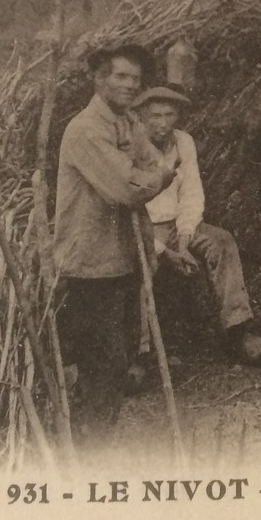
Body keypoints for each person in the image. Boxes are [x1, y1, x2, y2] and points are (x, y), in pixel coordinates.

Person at [54, 43, 173, 445]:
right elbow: (124, 188)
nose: (128, 85)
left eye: (135, 79)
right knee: (102, 360)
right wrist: (152, 178)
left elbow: (153, 165)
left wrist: (149, 175)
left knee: (118, 358)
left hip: (123, 259)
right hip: (89, 264)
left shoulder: (129, 125)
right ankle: (88, 444)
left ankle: (95, 436)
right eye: (120, 76)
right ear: (100, 78)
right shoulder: (86, 130)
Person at [134, 86, 261, 364]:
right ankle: (138, 350)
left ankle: (237, 330)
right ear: (141, 116)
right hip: (143, 230)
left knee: (222, 241)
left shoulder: (183, 142)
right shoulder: (131, 146)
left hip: (179, 226)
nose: (162, 122)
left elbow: (192, 194)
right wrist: (164, 251)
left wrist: (184, 239)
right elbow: (133, 208)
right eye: (155, 115)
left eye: (169, 115)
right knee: (140, 263)